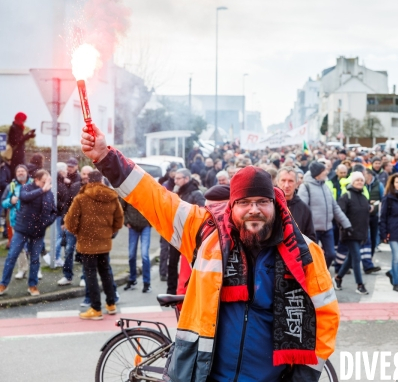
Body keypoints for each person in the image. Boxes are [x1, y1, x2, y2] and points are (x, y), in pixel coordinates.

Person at [81, 125, 339, 381]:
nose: (254, 209)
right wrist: (106, 158)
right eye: (245, 203)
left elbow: (326, 317)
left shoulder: (304, 252)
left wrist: (303, 378)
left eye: (262, 201)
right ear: (231, 206)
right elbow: (154, 198)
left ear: (275, 203)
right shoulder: (205, 231)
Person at [65, 170, 123, 320]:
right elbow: (119, 219)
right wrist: (109, 232)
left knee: (90, 275)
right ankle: (111, 304)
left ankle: (96, 308)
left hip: (87, 243)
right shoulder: (111, 197)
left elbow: (70, 222)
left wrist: (78, 232)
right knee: (106, 272)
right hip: (104, 242)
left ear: (88, 180)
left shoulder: (81, 198)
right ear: (102, 180)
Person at [0, 169, 56, 296]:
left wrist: (46, 223)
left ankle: (33, 285)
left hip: (38, 232)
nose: (47, 184)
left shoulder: (49, 193)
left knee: (35, 259)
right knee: (12, 256)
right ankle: (3, 284)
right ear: (36, 180)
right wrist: (42, 190)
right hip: (22, 229)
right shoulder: (27, 188)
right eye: (44, 181)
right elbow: (24, 197)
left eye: (48, 182)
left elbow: (54, 211)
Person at [298, 161, 351, 269]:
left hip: (327, 229)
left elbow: (335, 207)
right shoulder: (305, 187)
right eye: (324, 170)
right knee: (313, 257)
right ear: (317, 173)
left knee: (331, 254)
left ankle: (322, 273)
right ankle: (315, 278)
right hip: (312, 231)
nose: (327, 172)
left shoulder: (325, 186)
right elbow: (301, 211)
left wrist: (347, 224)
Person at [167, 168, 206, 295]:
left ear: (186, 179)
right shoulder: (178, 192)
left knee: (189, 266)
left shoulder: (196, 193)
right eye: (175, 178)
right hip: (176, 233)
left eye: (178, 178)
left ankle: (188, 293)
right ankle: (171, 292)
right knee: (172, 263)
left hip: (189, 236)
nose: (175, 181)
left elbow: (202, 213)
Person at [333, 171, 371, 295]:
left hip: (361, 233)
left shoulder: (364, 197)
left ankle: (338, 278)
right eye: (357, 180)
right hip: (349, 233)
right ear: (352, 182)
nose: (360, 182)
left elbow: (365, 217)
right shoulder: (346, 196)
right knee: (356, 257)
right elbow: (339, 214)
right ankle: (360, 284)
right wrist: (344, 228)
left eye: (361, 180)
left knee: (351, 258)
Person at [1, 165, 32, 278]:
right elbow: (3, 202)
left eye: (22, 171)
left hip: (33, 221)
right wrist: (10, 200)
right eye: (18, 171)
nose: (20, 173)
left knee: (33, 246)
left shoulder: (34, 184)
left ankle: (35, 270)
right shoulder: (11, 186)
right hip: (17, 222)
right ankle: (22, 269)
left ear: (27, 172)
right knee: (19, 247)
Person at [54, 162, 81, 282]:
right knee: (69, 250)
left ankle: (85, 277)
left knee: (84, 251)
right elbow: (66, 204)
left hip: (85, 225)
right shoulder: (74, 187)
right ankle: (67, 275)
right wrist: (65, 220)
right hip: (71, 223)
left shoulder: (93, 189)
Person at [276, 167, 316, 242]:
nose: (286, 185)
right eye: (283, 180)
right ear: (277, 182)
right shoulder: (270, 206)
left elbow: (310, 238)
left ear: (297, 184)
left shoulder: (304, 209)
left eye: (290, 181)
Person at [122, 196, 152, 293]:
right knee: (131, 255)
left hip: (145, 225)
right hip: (132, 225)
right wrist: (126, 222)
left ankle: (146, 283)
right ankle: (132, 279)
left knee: (145, 255)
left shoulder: (146, 191)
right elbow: (121, 208)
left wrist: (150, 222)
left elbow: (153, 207)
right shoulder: (128, 191)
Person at [7, 112, 36, 177]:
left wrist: (29, 135)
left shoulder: (17, 127)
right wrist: (28, 135)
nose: (24, 122)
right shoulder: (14, 128)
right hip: (16, 154)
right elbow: (17, 141)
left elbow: (20, 140)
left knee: (19, 169)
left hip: (18, 153)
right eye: (23, 120)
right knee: (18, 170)